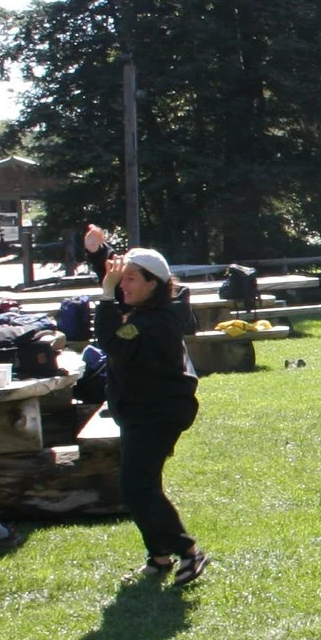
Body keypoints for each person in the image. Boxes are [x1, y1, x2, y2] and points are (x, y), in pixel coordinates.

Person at [94, 246, 211, 585]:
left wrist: (104, 296)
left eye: (130, 279)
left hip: (158, 413)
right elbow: (117, 298)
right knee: (140, 485)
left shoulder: (153, 321)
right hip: (140, 411)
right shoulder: (145, 311)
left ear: (153, 284)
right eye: (121, 280)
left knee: (137, 486)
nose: (122, 286)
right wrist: (98, 256)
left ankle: (187, 551)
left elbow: (113, 342)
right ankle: (159, 556)